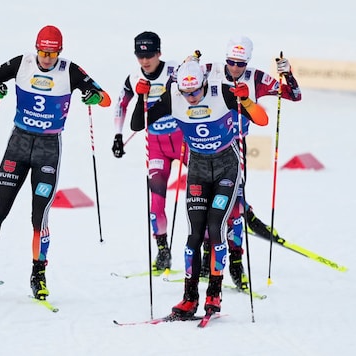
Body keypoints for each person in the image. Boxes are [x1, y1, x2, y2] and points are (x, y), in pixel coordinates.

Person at [0, 25, 110, 301]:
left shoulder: (70, 70)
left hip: (48, 150)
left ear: (59, 52)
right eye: (42, 51)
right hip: (19, 144)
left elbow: (105, 98)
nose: (46, 58)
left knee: (39, 217)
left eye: (52, 53)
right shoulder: (22, 63)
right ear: (36, 48)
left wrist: (94, 96)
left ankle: (38, 275)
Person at [132, 58, 269, 317]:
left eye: (195, 91)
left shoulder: (222, 93)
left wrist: (247, 101)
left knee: (216, 226)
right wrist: (141, 99)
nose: (191, 98)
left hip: (227, 166)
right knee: (194, 234)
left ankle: (214, 296)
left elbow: (261, 120)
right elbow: (138, 124)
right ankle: (189, 298)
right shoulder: (175, 98)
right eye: (186, 93)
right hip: (198, 169)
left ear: (204, 84)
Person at [199, 35, 302, 290]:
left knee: (233, 209)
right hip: (205, 147)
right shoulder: (209, 71)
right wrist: (189, 64)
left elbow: (294, 95)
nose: (235, 68)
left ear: (248, 62)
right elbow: (178, 85)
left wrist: (287, 74)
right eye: (231, 62)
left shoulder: (256, 78)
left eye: (240, 64)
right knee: (203, 203)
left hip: (236, 148)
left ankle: (236, 262)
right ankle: (205, 256)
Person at [111, 31, 185, 273]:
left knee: (198, 199)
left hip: (185, 142)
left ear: (159, 53)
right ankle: (163, 251)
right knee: (156, 204)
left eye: (150, 55)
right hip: (156, 146)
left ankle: (205, 253)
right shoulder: (133, 78)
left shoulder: (174, 69)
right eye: (140, 56)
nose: (145, 61)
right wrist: (118, 136)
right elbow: (121, 104)